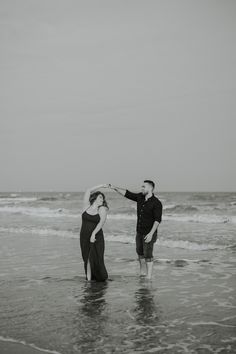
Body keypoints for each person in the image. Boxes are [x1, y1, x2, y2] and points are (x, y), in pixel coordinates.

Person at [109, 180, 162, 280]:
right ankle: (142, 273)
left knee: (148, 254)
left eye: (143, 187)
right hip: (139, 232)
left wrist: (151, 234)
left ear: (150, 188)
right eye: (141, 187)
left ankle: (149, 276)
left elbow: (157, 220)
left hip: (149, 233)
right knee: (140, 253)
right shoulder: (140, 197)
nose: (141, 188)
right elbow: (127, 194)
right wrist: (114, 187)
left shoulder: (157, 203)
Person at [80, 184, 109, 282]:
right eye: (100, 197)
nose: (102, 199)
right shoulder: (86, 206)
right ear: (95, 197)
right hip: (84, 236)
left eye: (103, 198)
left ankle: (101, 278)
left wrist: (93, 234)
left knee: (97, 259)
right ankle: (88, 280)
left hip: (97, 237)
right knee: (87, 258)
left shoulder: (102, 209)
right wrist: (102, 185)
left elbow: (102, 222)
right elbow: (88, 189)